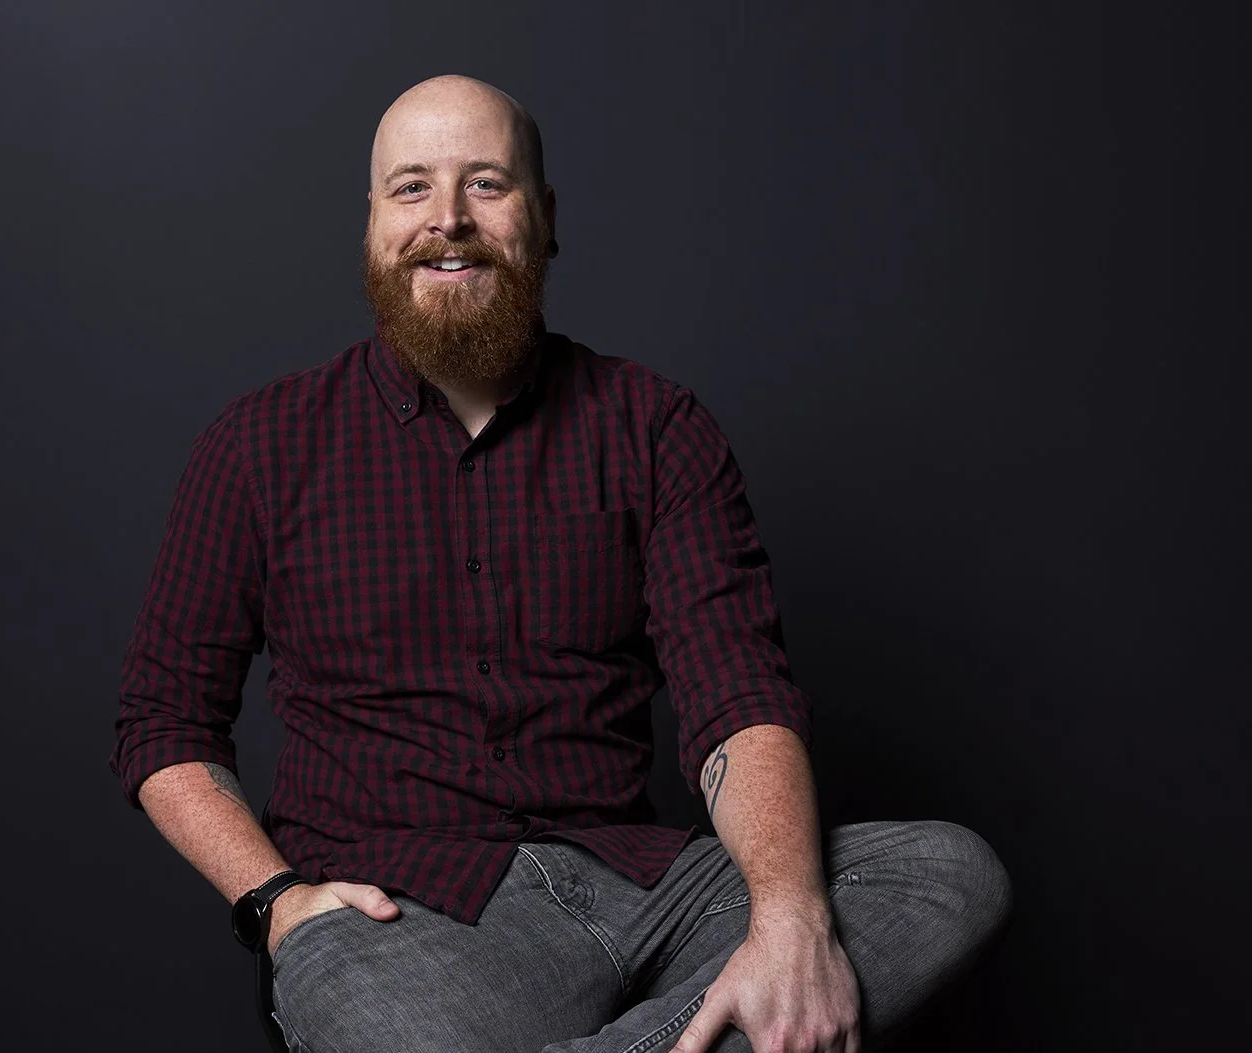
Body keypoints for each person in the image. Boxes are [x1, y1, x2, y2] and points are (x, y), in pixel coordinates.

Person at [108, 74, 1012, 1053]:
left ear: (543, 217)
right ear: (371, 222)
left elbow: (737, 697)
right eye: (411, 187)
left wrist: (786, 920)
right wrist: (276, 899)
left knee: (943, 872)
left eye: (484, 183)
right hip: (396, 915)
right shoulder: (257, 445)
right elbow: (164, 720)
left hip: (648, 892)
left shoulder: (654, 426)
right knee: (382, 1022)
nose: (447, 219)